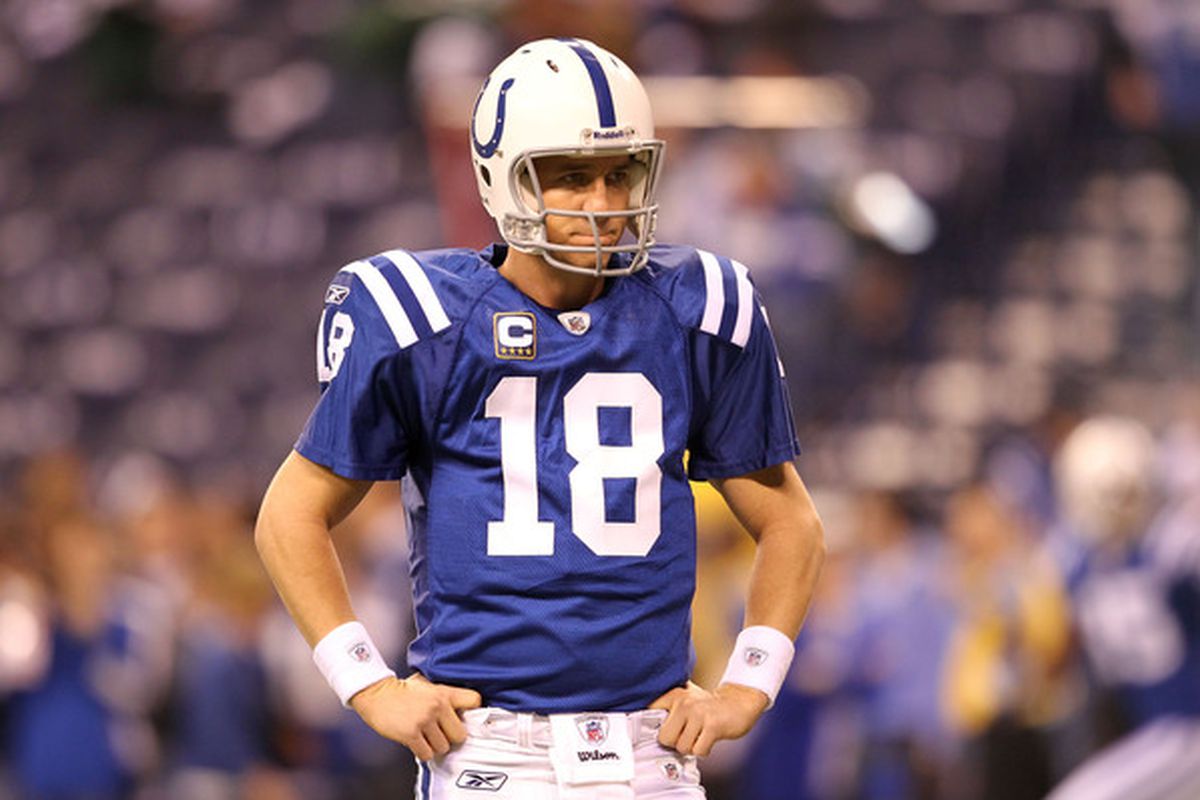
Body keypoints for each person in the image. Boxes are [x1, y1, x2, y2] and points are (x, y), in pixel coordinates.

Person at [255, 37, 825, 799]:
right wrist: (370, 686)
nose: (603, 203)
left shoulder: (700, 310)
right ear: (502, 178)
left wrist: (747, 685)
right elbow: (288, 516)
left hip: (648, 753)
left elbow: (792, 521)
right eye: (570, 177)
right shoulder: (425, 317)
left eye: (620, 173)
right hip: (494, 752)